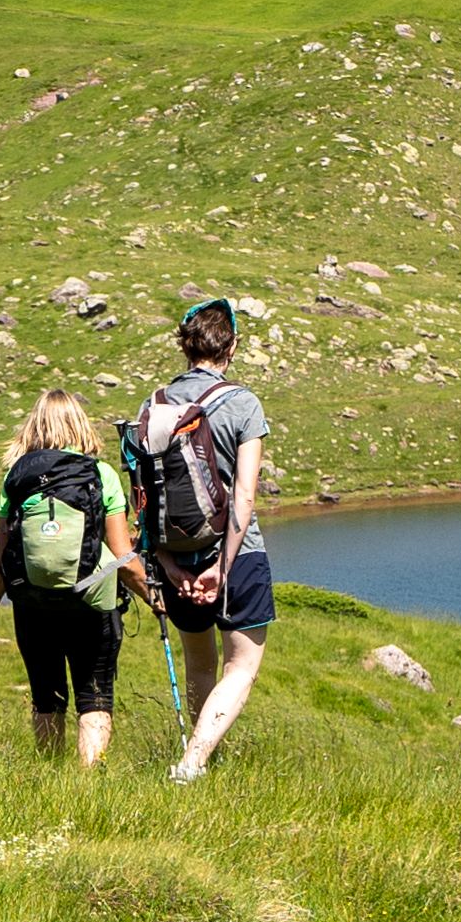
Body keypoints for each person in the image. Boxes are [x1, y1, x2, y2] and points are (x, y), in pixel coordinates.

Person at [126, 296, 275, 782]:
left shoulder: (154, 406)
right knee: (241, 666)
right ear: (229, 347)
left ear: (187, 347)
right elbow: (246, 494)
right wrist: (223, 567)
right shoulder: (243, 403)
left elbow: (143, 497)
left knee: (200, 666)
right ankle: (194, 761)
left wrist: (167, 564)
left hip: (177, 555)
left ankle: (200, 760)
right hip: (238, 555)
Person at [0, 389, 147, 769]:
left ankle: (50, 776)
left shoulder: (16, 478)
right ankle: (88, 784)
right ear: (80, 425)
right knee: (95, 696)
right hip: (90, 603)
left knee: (45, 695)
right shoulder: (100, 474)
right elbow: (122, 554)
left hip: (32, 604)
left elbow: (2, 553)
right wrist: (154, 598)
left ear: (34, 427)